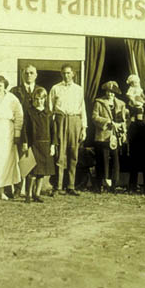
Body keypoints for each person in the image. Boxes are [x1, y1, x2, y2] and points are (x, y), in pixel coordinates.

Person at [49, 64, 87, 196]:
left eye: (69, 73)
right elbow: (50, 108)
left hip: (75, 120)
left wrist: (84, 128)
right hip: (60, 120)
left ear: (73, 74)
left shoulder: (78, 89)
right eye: (64, 73)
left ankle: (71, 185)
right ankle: (58, 186)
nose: (66, 75)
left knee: (73, 153)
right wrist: (52, 127)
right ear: (61, 74)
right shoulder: (55, 88)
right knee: (60, 154)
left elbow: (83, 108)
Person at [10, 64, 44, 198]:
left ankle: (34, 191)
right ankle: (18, 189)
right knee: (21, 158)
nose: (28, 75)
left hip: (36, 131)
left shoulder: (41, 91)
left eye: (31, 73)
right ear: (22, 74)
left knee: (36, 159)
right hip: (21, 130)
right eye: (26, 73)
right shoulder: (15, 91)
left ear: (36, 75)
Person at [20, 87, 56, 203]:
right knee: (32, 172)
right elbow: (24, 129)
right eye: (37, 99)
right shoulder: (30, 112)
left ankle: (37, 194)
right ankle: (28, 195)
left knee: (42, 172)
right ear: (33, 99)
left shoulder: (49, 114)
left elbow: (53, 131)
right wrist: (25, 142)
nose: (39, 101)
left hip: (45, 145)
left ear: (45, 99)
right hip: (33, 145)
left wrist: (53, 145)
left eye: (41, 99)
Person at [92, 81, 128, 193]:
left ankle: (114, 184)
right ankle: (102, 184)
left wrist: (122, 128)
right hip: (103, 136)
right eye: (108, 91)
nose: (110, 94)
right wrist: (108, 122)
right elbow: (94, 117)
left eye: (112, 92)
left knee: (116, 160)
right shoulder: (99, 102)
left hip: (116, 137)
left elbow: (124, 120)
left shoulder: (121, 104)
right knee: (103, 160)